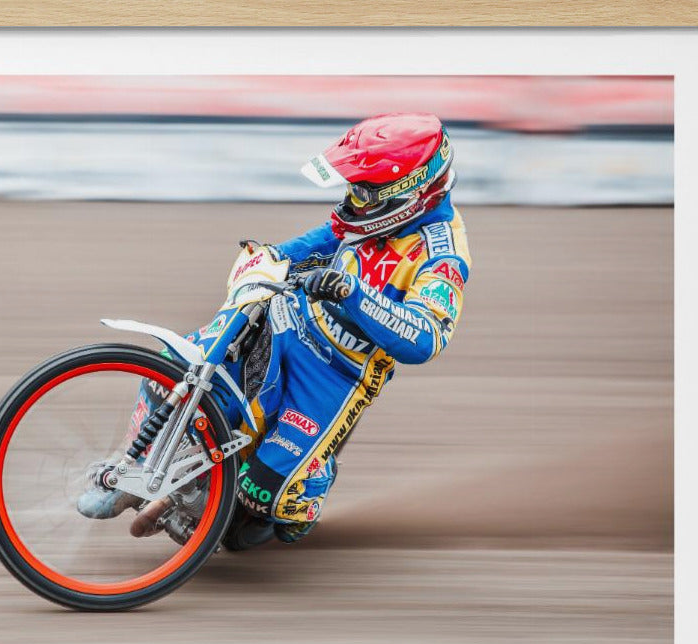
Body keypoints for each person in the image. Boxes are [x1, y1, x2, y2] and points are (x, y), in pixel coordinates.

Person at [78, 112, 471, 546]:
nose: (352, 201)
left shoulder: (442, 256)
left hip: (336, 377)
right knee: (174, 366)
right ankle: (129, 469)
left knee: (260, 499)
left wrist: (351, 292)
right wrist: (266, 255)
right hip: (287, 321)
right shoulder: (371, 216)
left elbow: (425, 339)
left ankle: (307, 488)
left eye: (363, 191)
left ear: (409, 194)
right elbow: (317, 240)